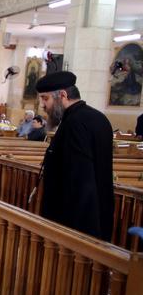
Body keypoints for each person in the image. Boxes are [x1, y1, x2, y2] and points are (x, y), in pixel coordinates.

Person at [36, 71, 113, 241]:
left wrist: (76, 234)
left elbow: (80, 180)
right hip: (97, 215)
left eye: (45, 98)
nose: (43, 105)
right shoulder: (98, 118)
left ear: (62, 95)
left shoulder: (74, 123)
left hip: (75, 224)